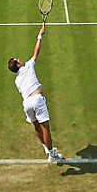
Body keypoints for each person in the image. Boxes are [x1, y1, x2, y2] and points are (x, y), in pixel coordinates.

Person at [7, 25, 64, 164]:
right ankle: (52, 154)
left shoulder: (17, 80)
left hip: (26, 104)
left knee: (37, 127)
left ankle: (46, 148)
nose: (20, 59)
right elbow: (36, 51)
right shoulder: (28, 66)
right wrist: (40, 35)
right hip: (37, 100)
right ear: (18, 64)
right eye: (17, 59)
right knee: (46, 128)